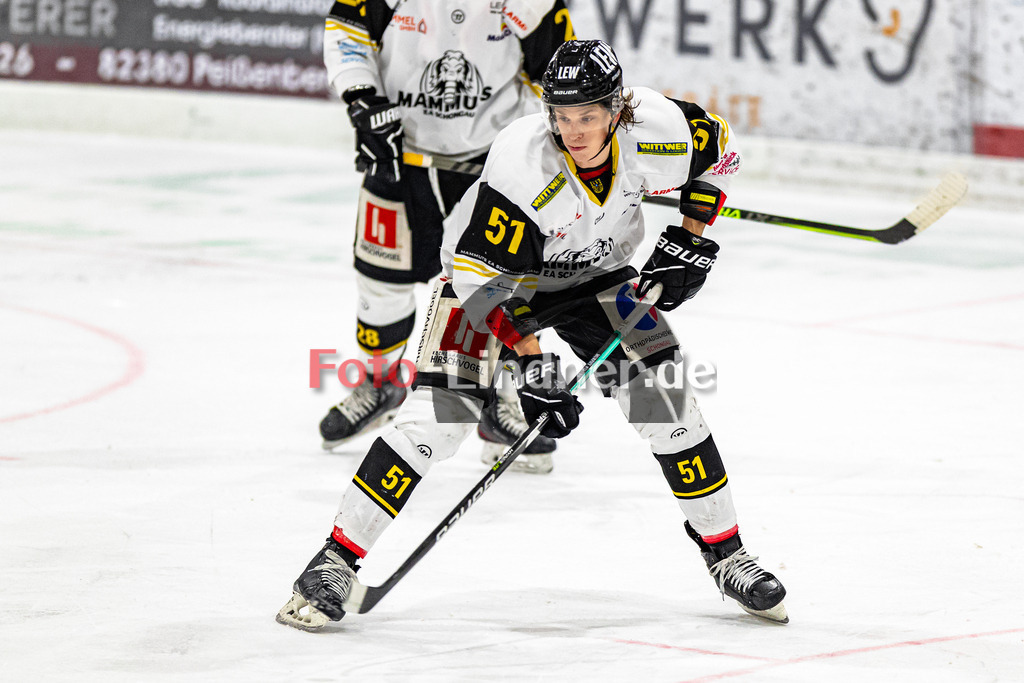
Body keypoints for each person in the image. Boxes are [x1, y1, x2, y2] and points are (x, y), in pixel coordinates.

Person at [278, 39, 788, 630]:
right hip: (491, 283)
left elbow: (719, 158)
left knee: (669, 403)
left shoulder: (660, 125)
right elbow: (484, 283)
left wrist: (692, 240)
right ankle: (336, 559)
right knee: (436, 421)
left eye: (588, 117)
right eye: (562, 116)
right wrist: (532, 368)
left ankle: (728, 555)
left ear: (617, 108)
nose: (572, 132)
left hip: (599, 276)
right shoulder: (521, 162)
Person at [318, 0, 575, 474]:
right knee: (381, 280)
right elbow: (348, 30)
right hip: (398, 154)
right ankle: (380, 383)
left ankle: (497, 403)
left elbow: (558, 73)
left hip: (489, 165)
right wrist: (363, 101)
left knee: (491, 286)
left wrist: (559, 149)